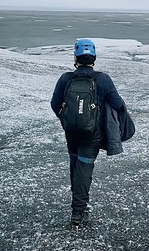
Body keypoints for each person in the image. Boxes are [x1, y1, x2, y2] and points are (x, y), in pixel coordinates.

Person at [51, 38, 130, 228]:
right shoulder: (103, 79)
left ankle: (78, 204)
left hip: (71, 133)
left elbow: (54, 104)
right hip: (92, 135)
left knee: (75, 166)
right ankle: (78, 212)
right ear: (94, 57)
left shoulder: (66, 78)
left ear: (75, 57)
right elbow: (118, 103)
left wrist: (67, 120)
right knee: (84, 169)